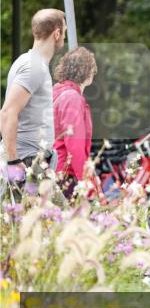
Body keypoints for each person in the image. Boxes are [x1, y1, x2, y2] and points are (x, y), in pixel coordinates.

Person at [1, 9, 66, 182]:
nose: (64, 38)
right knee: (54, 209)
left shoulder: (30, 62)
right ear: (57, 33)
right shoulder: (33, 67)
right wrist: (13, 160)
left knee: (55, 208)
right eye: (64, 32)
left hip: (34, 161)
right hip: (26, 162)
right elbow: (7, 112)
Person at [52, 47, 97, 197]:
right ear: (87, 72)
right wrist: (85, 182)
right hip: (67, 175)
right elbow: (75, 144)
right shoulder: (72, 98)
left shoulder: (57, 92)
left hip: (54, 170)